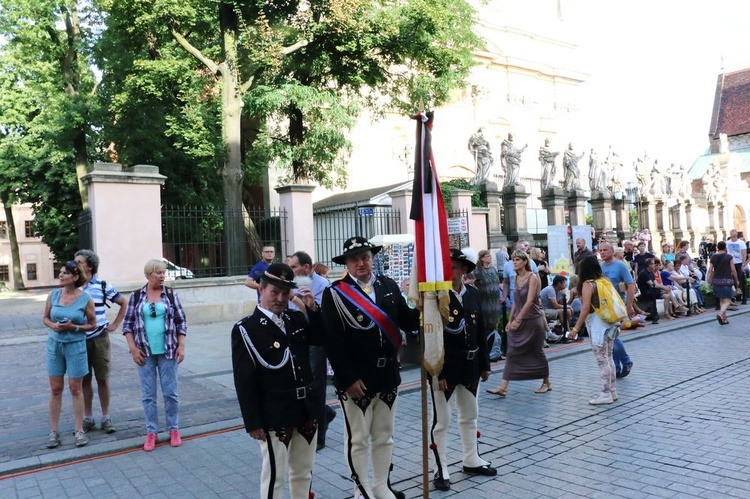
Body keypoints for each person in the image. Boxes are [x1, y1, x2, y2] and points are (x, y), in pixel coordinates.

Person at [321, 236, 419, 499]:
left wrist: (426, 302)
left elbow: (408, 321)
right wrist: (348, 378)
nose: (361, 263)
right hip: (356, 379)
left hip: (387, 374)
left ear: (373, 258)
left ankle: (381, 486)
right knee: (358, 439)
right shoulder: (335, 293)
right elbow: (332, 341)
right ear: (347, 264)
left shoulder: (388, 286)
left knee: (384, 436)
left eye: (365, 257)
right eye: (354, 259)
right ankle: (361, 489)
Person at [231, 263, 323, 498]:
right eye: (274, 292)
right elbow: (244, 379)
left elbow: (320, 338)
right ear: (261, 290)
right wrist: (253, 421)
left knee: (303, 472)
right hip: (275, 413)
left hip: (306, 408)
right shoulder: (246, 329)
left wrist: (312, 309)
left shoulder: (295, 318)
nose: (280, 298)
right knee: (274, 476)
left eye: (285, 293)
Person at [430, 249, 496, 491]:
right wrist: (440, 371)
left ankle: (471, 458)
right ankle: (441, 467)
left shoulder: (473, 294)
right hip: (446, 367)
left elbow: (480, 331)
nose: (451, 272)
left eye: (455, 267)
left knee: (470, 414)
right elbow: (433, 337)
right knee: (442, 420)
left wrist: (485, 364)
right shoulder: (436, 297)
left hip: (470, 364)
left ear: (465, 270)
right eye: (447, 267)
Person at [122, 259, 188, 451]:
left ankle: (173, 429)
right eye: (158, 272)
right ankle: (151, 432)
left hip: (168, 350)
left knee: (171, 393)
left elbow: (181, 322)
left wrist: (181, 346)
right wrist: (133, 349)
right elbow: (127, 325)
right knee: (148, 395)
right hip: (145, 352)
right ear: (148, 275)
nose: (162, 276)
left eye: (163, 272)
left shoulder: (170, 294)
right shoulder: (136, 296)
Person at [42, 261, 96, 448]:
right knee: (56, 389)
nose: (61, 275)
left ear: (75, 277)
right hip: (55, 346)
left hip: (76, 347)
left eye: (65, 273)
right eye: (61, 272)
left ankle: (79, 430)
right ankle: (54, 432)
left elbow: (92, 324)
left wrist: (74, 327)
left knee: (76, 388)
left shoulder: (85, 298)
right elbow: (45, 318)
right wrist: (53, 325)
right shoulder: (53, 295)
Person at [74, 249, 128, 434]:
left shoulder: (103, 286)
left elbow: (124, 303)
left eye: (79, 262)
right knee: (84, 379)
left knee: (103, 379)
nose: (76, 265)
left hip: (99, 339)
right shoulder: (73, 287)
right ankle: (88, 417)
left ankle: (106, 417)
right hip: (79, 339)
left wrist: (115, 324)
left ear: (90, 266)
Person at [288, 250, 336, 451]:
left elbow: (315, 318)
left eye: (294, 267)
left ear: (306, 268)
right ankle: (325, 413)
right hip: (297, 340)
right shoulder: (296, 283)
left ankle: (320, 435)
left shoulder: (322, 286)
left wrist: (294, 299)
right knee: (299, 384)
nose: (291, 271)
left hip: (315, 342)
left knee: (315, 388)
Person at [487, 250, 551, 396]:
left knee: (536, 352)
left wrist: (518, 319)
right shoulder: (516, 278)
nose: (514, 262)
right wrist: (510, 320)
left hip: (533, 320)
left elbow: (529, 302)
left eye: (517, 260)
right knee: (513, 351)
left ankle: (546, 382)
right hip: (519, 319)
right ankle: (503, 387)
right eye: (513, 259)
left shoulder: (532, 277)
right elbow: (516, 300)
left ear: (524, 261)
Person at [568, 256, 618, 405]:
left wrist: (575, 328)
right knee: (609, 357)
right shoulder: (604, 281)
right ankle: (613, 390)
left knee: (602, 360)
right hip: (610, 322)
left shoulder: (588, 285)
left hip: (597, 326)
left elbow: (585, 309)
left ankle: (605, 393)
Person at [597, 243, 635, 378]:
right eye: (600, 250)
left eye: (605, 250)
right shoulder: (600, 267)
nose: (603, 252)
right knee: (609, 337)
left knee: (613, 335)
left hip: (617, 305)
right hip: (604, 306)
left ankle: (626, 361)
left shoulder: (620, 265)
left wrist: (629, 305)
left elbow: (630, 285)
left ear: (612, 251)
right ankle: (617, 367)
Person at [468, 250, 503, 359]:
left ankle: (496, 350)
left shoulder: (493, 269)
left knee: (495, 325)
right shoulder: (477, 270)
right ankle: (485, 351)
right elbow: (469, 281)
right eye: (488, 256)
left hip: (494, 303)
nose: (490, 258)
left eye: (490, 256)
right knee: (485, 326)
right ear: (482, 258)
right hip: (484, 303)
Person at [707, 241, 739, 325]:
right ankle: (721, 314)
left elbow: (710, 270)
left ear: (717, 247)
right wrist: (736, 279)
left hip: (717, 280)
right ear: (725, 247)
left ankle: (724, 318)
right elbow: (733, 270)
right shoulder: (729, 257)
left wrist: (708, 279)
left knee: (722, 300)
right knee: (728, 300)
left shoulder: (713, 257)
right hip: (727, 280)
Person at [726, 229, 747, 304]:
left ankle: (744, 297)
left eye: (733, 231)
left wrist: (743, 264)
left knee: (741, 279)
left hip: (739, 263)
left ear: (737, 233)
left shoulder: (741, 243)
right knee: (731, 280)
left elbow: (744, 254)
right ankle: (735, 296)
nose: (732, 232)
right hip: (730, 264)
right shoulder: (727, 243)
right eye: (731, 232)